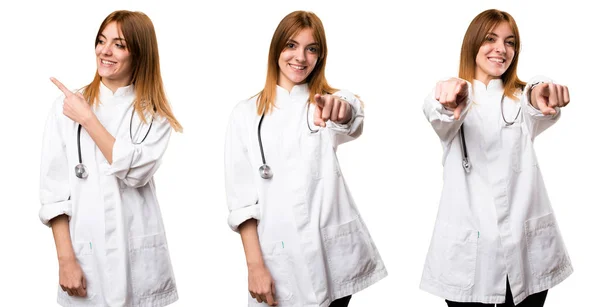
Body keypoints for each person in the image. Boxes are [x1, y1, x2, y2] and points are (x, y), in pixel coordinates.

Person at [224, 10, 387, 307]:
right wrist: (254, 266)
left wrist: (343, 108)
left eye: (311, 49)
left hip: (332, 257)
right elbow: (242, 203)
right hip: (277, 257)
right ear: (277, 49)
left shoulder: (324, 103)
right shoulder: (245, 115)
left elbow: (350, 115)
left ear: (320, 57)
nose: (301, 57)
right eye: (291, 45)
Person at [420, 9, 572, 307]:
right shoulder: (450, 98)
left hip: (526, 248)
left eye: (510, 42)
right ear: (472, 43)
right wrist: (448, 98)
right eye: (491, 39)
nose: (502, 49)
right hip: (471, 256)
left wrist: (543, 88)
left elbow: (536, 96)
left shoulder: (522, 100)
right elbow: (437, 110)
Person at [39, 10, 181, 307]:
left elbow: (135, 173)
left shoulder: (155, 115)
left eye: (119, 44)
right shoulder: (65, 108)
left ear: (139, 54)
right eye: (101, 41)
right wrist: (66, 261)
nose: (105, 50)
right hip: (85, 259)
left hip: (139, 261)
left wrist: (88, 119)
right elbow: (54, 195)